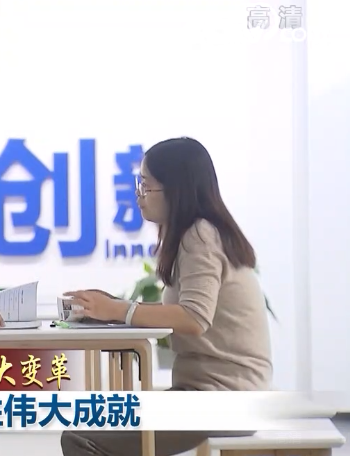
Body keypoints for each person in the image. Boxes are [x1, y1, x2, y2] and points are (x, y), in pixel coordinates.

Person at [60, 137, 273, 456]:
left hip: (224, 398)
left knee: (81, 436)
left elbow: (194, 318)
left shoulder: (200, 235)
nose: (138, 195)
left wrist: (119, 309)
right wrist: (112, 307)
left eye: (146, 186)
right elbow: (184, 311)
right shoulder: (201, 232)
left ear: (176, 189)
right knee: (87, 427)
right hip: (215, 393)